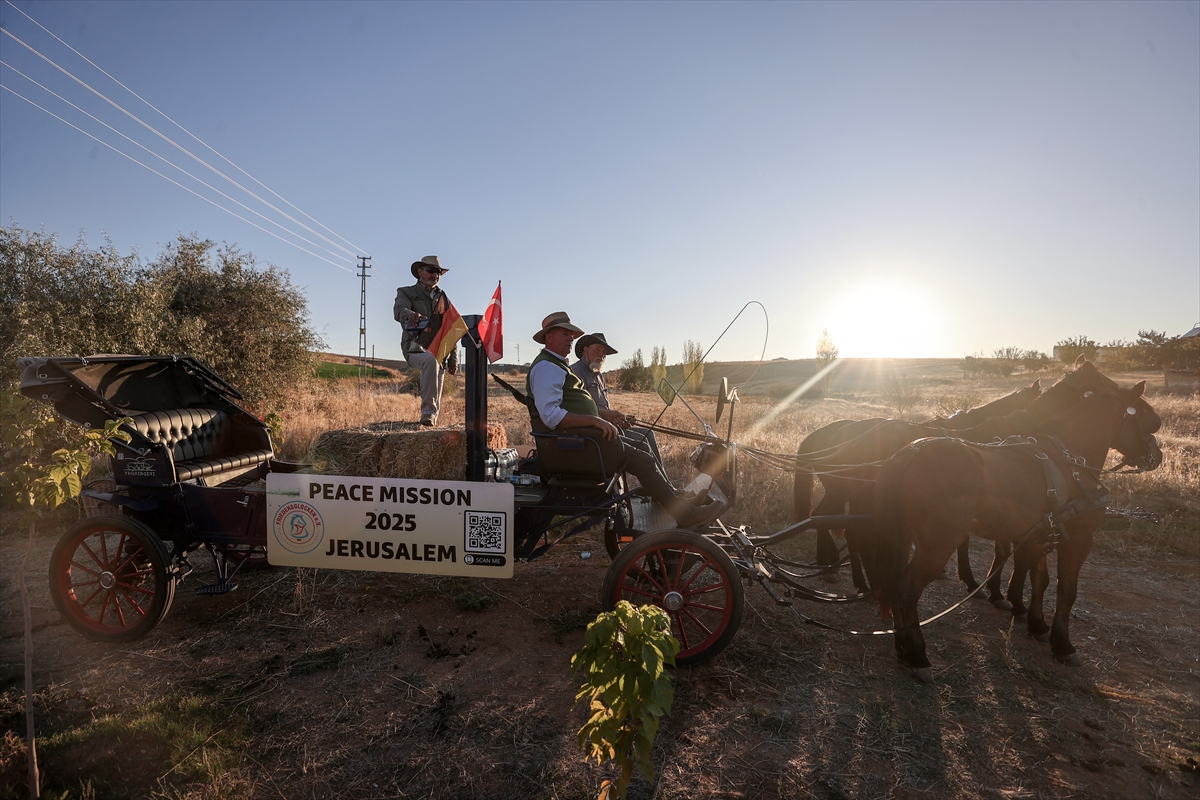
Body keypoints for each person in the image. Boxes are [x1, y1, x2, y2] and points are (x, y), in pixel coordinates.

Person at [526, 312, 716, 529]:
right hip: (579, 446)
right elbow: (551, 416)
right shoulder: (546, 368)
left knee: (642, 448)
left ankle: (676, 502)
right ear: (548, 337)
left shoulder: (556, 366)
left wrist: (602, 419)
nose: (570, 338)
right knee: (643, 460)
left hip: (586, 439)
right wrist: (596, 421)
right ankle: (686, 516)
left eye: (571, 334)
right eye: (564, 333)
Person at [570, 332, 662, 467]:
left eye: (604, 352)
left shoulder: (598, 374)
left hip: (608, 426)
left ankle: (666, 486)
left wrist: (619, 419)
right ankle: (658, 486)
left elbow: (603, 408)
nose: (601, 355)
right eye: (597, 350)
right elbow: (582, 409)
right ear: (585, 350)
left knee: (649, 434)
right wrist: (610, 418)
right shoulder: (576, 372)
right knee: (642, 442)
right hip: (595, 431)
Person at [393, 255, 458, 426]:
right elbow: (400, 310)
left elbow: (452, 326)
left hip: (441, 351)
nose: (435, 275)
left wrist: (453, 358)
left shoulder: (443, 298)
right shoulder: (406, 292)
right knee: (430, 360)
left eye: (438, 272)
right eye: (431, 271)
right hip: (416, 349)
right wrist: (410, 315)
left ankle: (430, 424)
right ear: (420, 272)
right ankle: (427, 413)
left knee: (436, 393)